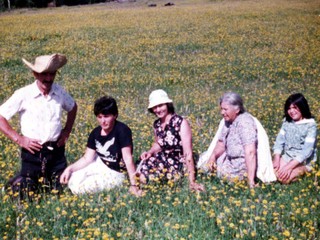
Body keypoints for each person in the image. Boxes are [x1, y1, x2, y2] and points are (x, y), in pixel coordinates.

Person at [0, 54, 77, 198]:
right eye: (44, 74)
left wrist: (66, 131)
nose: (48, 78)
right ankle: (16, 182)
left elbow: (73, 107)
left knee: (61, 191)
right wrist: (19, 139)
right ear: (35, 73)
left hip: (56, 152)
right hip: (32, 153)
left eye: (52, 74)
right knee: (27, 194)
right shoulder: (24, 94)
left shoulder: (59, 92)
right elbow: (1, 117)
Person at [60, 96, 141, 196]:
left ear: (115, 115)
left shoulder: (122, 130)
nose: (103, 121)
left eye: (106, 116)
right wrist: (69, 169)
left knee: (83, 188)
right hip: (99, 164)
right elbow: (87, 158)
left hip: (116, 172)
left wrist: (134, 185)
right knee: (72, 178)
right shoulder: (95, 133)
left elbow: (128, 158)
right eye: (99, 117)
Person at [137, 89, 204, 192]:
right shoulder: (157, 124)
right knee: (140, 165)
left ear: (168, 105)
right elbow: (159, 143)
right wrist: (150, 152)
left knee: (145, 177)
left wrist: (192, 181)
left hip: (177, 162)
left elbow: (188, 153)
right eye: (155, 107)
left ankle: (149, 186)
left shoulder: (181, 123)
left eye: (161, 106)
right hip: (162, 158)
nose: (158, 110)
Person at [205, 92, 259, 187]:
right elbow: (221, 143)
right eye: (221, 109)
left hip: (240, 167)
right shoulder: (228, 121)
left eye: (225, 109)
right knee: (205, 162)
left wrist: (251, 181)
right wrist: (213, 156)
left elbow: (250, 152)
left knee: (205, 168)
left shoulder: (245, 123)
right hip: (228, 160)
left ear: (237, 109)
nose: (222, 112)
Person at [273, 93, 317, 184]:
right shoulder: (287, 122)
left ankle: (305, 172)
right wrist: (276, 158)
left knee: (283, 179)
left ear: (302, 107)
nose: (291, 111)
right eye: (289, 108)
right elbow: (279, 141)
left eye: (295, 108)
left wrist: (289, 167)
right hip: (287, 157)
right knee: (270, 173)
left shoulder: (310, 125)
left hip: (302, 161)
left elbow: (306, 152)